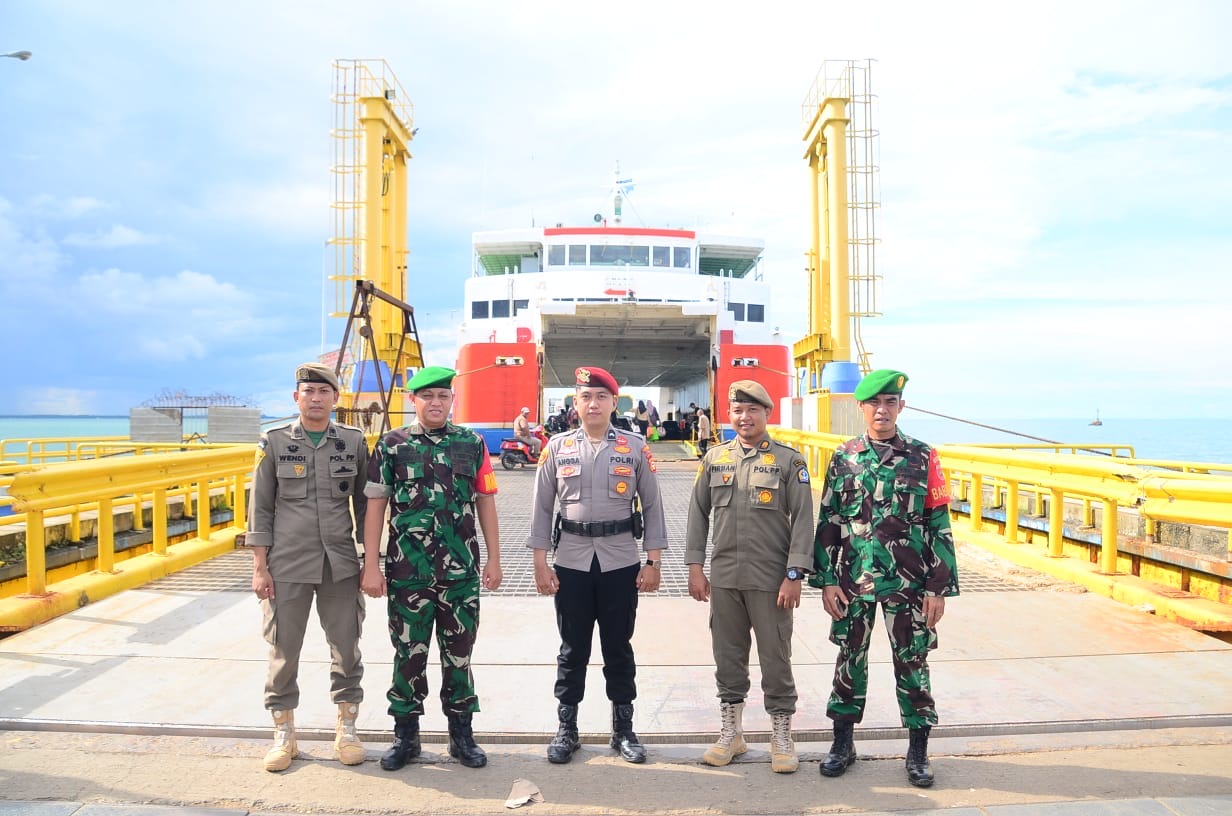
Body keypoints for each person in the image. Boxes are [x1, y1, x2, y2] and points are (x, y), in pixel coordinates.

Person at [812, 369, 959, 788]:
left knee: (913, 662)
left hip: (909, 583)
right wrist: (826, 580)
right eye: (874, 403)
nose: (882, 410)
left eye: (890, 402)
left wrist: (937, 588)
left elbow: (939, 523)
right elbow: (830, 520)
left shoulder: (924, 456)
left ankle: (917, 752)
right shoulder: (844, 457)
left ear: (901, 407)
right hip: (853, 580)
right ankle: (842, 743)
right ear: (861, 408)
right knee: (848, 660)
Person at [362, 365, 503, 771]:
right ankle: (405, 737)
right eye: (428, 397)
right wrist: (370, 564)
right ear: (414, 401)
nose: (436, 403)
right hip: (408, 573)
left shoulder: (471, 443)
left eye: (443, 396)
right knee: (408, 654)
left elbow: (486, 502)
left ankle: (462, 736)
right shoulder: (392, 445)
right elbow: (375, 508)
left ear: (452, 400)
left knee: (459, 656)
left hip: (460, 574)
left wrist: (494, 558)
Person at [527, 365, 668, 765]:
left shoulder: (634, 446)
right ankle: (566, 728)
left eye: (601, 397)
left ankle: (623, 729)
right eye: (586, 397)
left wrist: (653, 560)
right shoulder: (556, 447)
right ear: (575, 403)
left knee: (618, 647)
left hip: (621, 560)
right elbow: (541, 507)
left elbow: (653, 506)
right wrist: (540, 562)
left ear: (612, 403)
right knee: (572, 648)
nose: (593, 404)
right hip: (570, 560)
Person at [685, 381, 814, 774]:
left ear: (766, 414)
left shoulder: (789, 462)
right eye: (737, 410)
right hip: (725, 578)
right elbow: (697, 514)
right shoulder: (714, 459)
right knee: (727, 658)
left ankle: (781, 736)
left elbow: (804, 520)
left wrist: (794, 574)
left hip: (771, 580)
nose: (745, 417)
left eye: (752, 410)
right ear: (730, 414)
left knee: (776, 658)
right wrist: (694, 566)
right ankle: (732, 735)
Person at [248, 362, 369, 773]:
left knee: (347, 648)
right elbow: (260, 508)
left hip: (339, 563)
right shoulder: (275, 442)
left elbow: (367, 505)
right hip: (287, 565)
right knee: (284, 650)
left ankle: (347, 729)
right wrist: (260, 567)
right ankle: (285, 735)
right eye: (308, 391)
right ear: (295, 397)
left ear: (336, 398)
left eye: (323, 391)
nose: (316, 398)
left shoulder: (353, 443)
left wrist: (371, 560)